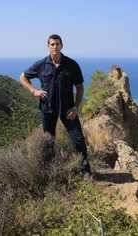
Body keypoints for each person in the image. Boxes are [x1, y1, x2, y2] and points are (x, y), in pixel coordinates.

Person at [20, 34, 91, 176]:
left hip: (68, 109)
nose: (55, 46)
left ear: (62, 46)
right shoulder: (41, 65)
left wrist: (76, 107)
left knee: (78, 140)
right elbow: (23, 77)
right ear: (48, 46)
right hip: (48, 109)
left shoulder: (71, 65)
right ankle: (50, 171)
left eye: (57, 44)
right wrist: (34, 90)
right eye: (52, 44)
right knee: (48, 142)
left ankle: (85, 170)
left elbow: (80, 87)